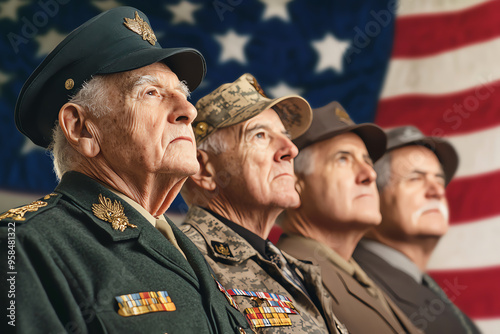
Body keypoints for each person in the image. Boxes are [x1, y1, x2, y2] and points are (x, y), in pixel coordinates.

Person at [0, 7, 252, 333]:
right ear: (82, 129)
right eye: (151, 93)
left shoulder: (188, 251)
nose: (188, 110)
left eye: (183, 94)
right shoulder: (21, 247)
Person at [180, 73, 336, 333]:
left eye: (285, 135)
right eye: (260, 135)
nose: (291, 149)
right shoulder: (184, 261)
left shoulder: (291, 267)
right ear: (203, 169)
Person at [278, 101, 423, 333]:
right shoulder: (288, 280)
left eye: (367, 161)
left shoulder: (357, 274)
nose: (370, 174)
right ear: (295, 184)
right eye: (343, 159)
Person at [353, 125, 480, 334]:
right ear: (372, 196)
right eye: (415, 178)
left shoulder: (428, 290)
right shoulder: (356, 286)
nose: (437, 191)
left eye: (439, 180)